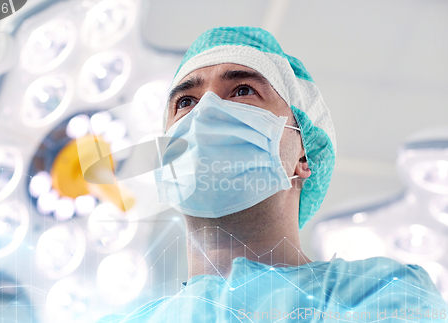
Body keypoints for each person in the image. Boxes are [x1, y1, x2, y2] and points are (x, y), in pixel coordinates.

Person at [98, 27, 447, 322]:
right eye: (185, 102)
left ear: (302, 155)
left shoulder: (381, 294)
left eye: (242, 91)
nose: (204, 113)